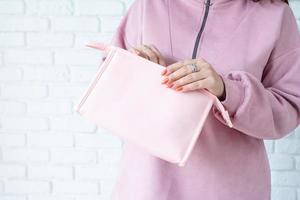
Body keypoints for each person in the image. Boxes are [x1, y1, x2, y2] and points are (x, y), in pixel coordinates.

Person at [106, 0, 300, 199]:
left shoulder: (275, 14)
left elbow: (290, 106)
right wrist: (137, 70)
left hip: (229, 187)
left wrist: (226, 91)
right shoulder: (149, 5)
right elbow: (109, 87)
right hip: (147, 183)